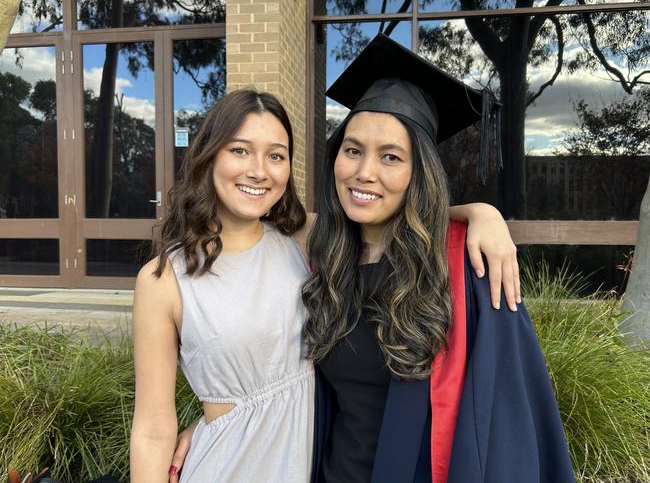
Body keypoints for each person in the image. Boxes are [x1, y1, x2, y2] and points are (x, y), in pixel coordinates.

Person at [131, 89, 521, 483]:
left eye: (276, 155)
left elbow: (385, 207)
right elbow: (151, 428)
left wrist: (482, 214)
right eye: (239, 150)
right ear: (209, 155)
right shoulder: (163, 280)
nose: (258, 170)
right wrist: (211, 423)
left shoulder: (302, 242)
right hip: (227, 467)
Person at [304, 34, 575, 483]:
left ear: (419, 173)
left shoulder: (470, 270)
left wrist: (481, 214)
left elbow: (510, 425)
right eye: (353, 150)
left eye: (390, 156)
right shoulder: (325, 264)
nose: (363, 172)